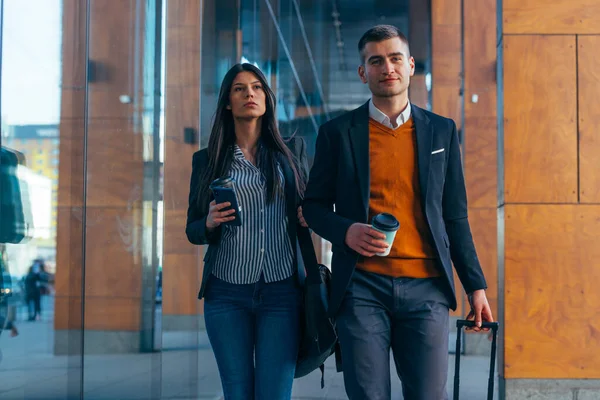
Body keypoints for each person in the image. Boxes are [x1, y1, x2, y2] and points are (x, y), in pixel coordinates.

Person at [302, 25, 494, 400]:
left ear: (410, 65)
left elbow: (454, 216)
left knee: (427, 394)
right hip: (361, 288)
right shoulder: (337, 133)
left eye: (394, 59)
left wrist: (476, 286)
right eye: (376, 60)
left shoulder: (441, 131)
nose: (386, 67)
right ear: (363, 72)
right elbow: (313, 206)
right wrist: (346, 231)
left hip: (427, 289)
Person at [185, 63, 309, 400]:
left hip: (282, 292)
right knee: (236, 393)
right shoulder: (207, 160)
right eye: (239, 88)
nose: (249, 94)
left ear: (266, 99)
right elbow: (192, 230)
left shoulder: (290, 153)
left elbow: (313, 210)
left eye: (256, 87)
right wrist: (209, 221)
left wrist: (308, 215)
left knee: (275, 394)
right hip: (226, 295)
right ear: (228, 101)